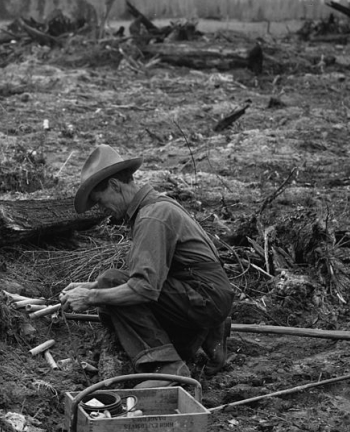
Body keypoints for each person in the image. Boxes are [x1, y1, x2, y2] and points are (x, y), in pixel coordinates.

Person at [59, 145, 233, 388]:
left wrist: (92, 296)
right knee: (110, 282)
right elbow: (159, 272)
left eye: (100, 201)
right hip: (207, 295)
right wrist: (92, 285)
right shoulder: (157, 205)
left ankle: (166, 367)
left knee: (113, 284)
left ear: (115, 186)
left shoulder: (152, 216)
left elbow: (144, 288)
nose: (102, 210)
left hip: (203, 299)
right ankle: (206, 335)